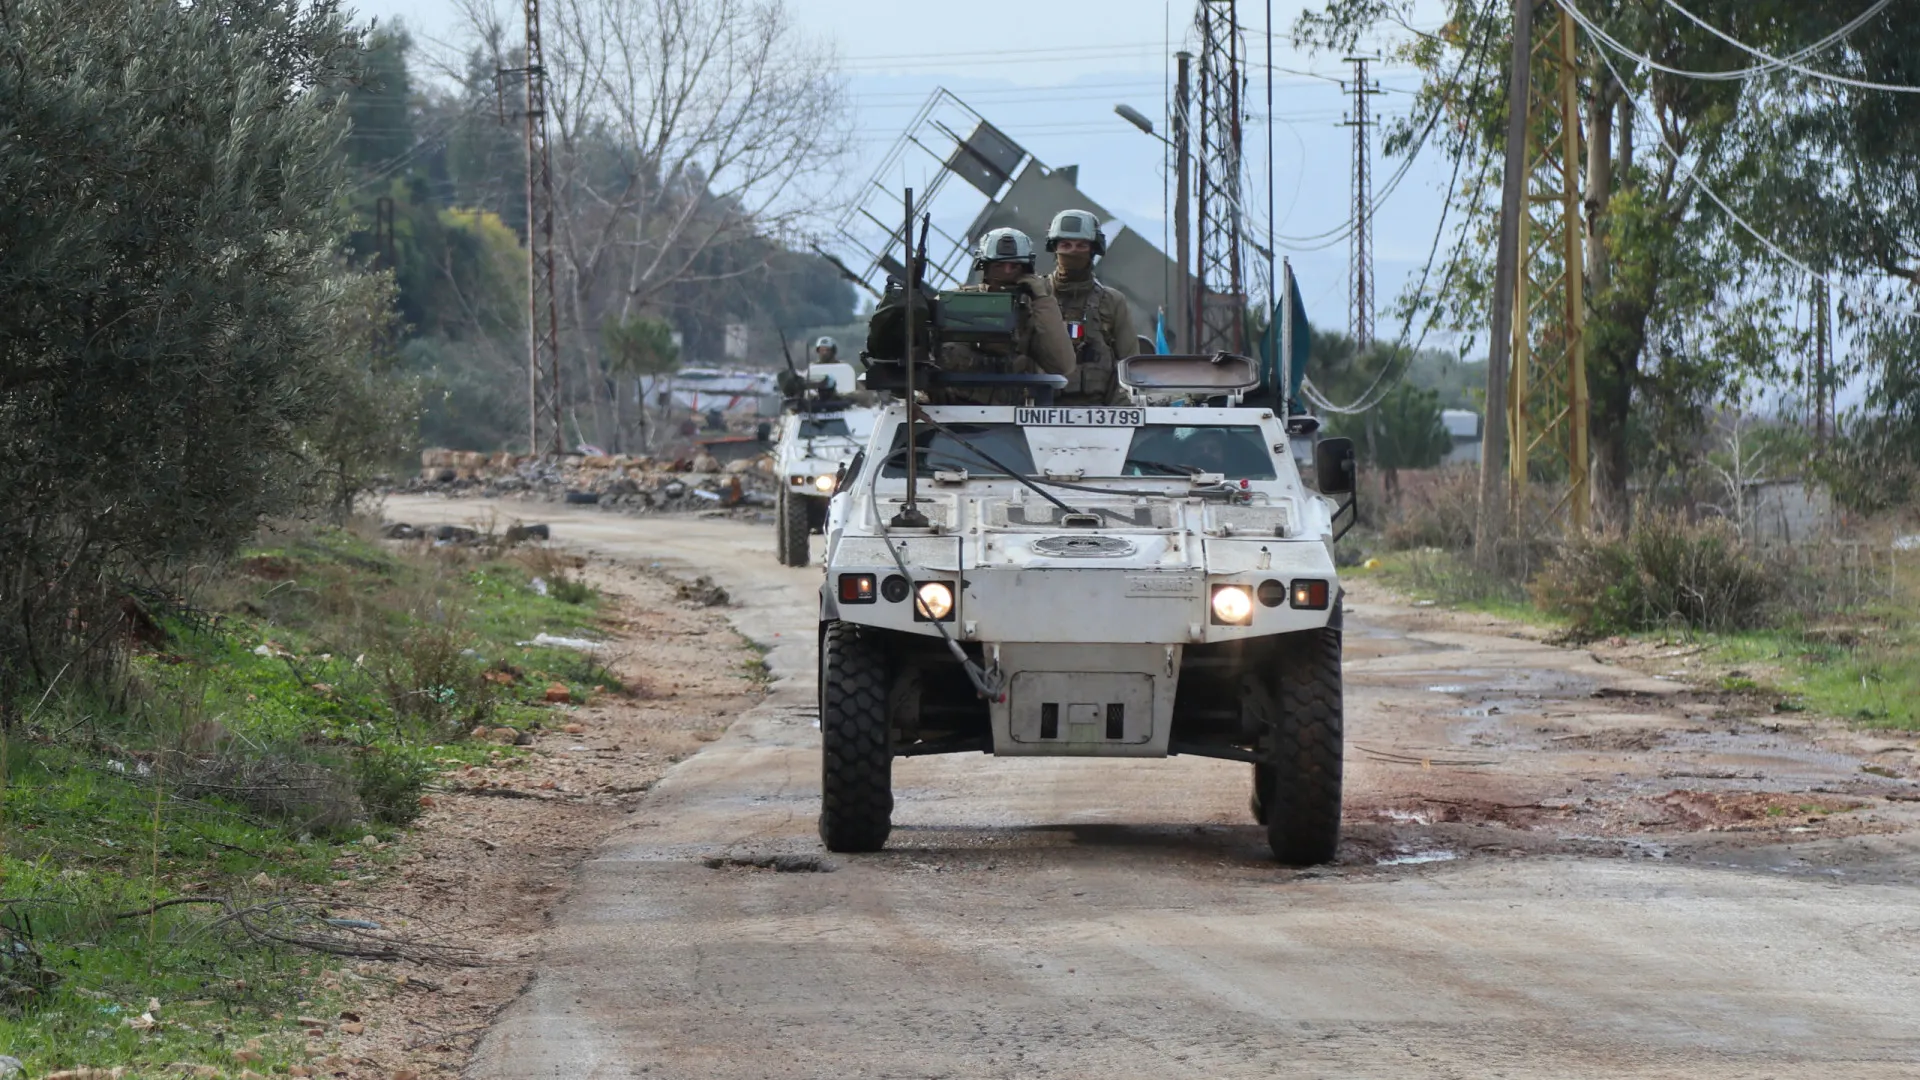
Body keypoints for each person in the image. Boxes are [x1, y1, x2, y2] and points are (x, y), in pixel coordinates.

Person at [933, 228, 1075, 406]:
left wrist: (1042, 298)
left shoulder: (1034, 311)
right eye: (999, 265)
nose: (1007, 271)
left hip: (1007, 415)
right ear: (984, 267)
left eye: (1014, 266)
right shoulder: (951, 301)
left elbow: (1063, 365)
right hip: (946, 410)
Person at [1045, 208, 1138, 406]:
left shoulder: (1112, 302)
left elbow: (1129, 367)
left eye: (1081, 245)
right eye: (1066, 245)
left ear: (1093, 249)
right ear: (1054, 248)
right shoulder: (1036, 296)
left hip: (1099, 415)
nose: (1072, 251)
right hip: (1038, 413)